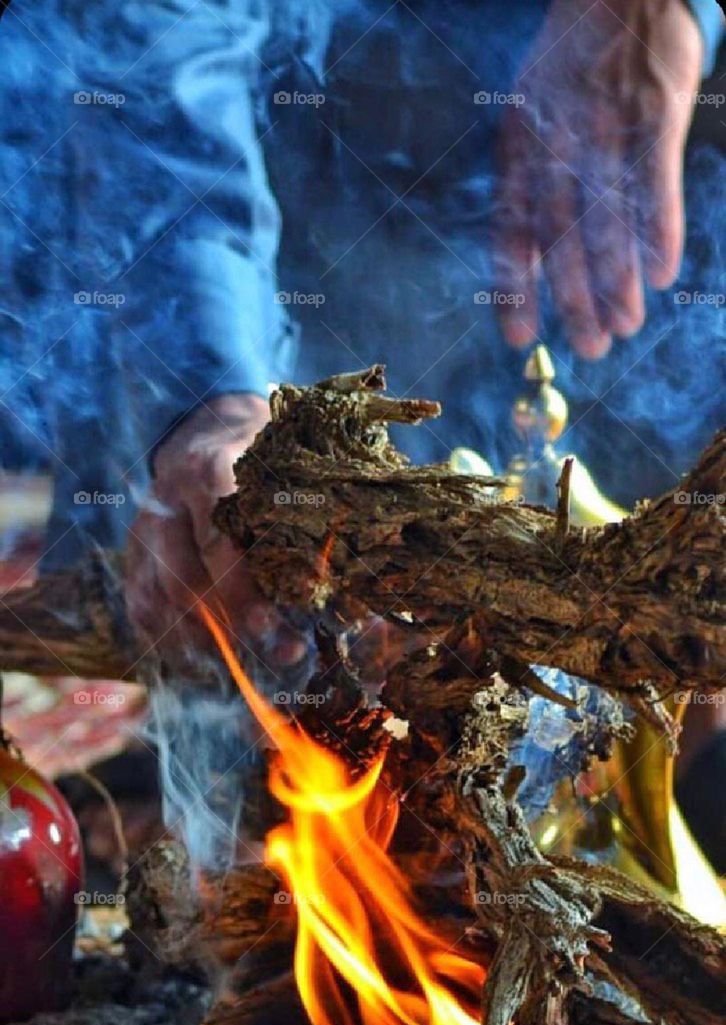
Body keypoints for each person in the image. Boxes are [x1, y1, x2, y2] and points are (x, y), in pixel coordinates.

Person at [0, 1, 723, 859]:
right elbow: (157, 49)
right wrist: (213, 397)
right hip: (305, 258)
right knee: (291, 759)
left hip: (629, 220)